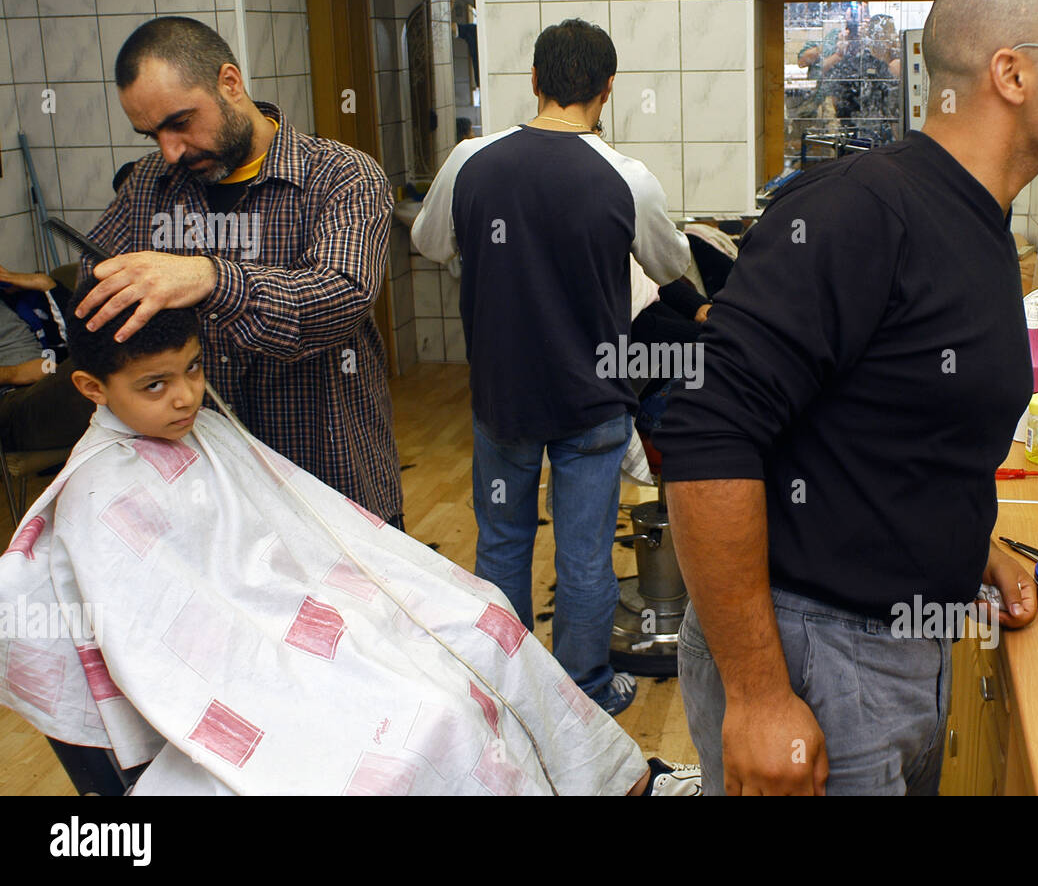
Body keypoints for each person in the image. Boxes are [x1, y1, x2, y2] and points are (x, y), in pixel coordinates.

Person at [656, 0, 1038, 795]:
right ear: (1011, 73)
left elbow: (887, 426)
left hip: (904, 649)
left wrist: (966, 549)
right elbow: (706, 430)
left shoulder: (976, 220)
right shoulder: (862, 209)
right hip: (815, 653)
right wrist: (760, 696)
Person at [0, 283, 700, 795]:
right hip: (259, 654)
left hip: (312, 598)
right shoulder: (100, 495)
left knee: (488, 619)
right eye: (155, 385)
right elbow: (167, 642)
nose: (185, 397)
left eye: (192, 369)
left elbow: (292, 532)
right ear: (91, 387)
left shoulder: (198, 428)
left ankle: (625, 787)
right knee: (434, 715)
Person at [410, 19, 690, 715]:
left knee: (501, 543)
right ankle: (585, 697)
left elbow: (428, 242)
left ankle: (506, 696)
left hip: (502, 397)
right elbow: (671, 265)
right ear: (608, 89)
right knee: (586, 557)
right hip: (591, 403)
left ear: (534, 82)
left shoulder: (472, 159)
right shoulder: (627, 178)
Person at [77, 16, 403, 527]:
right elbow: (100, 284)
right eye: (152, 133)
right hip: (208, 497)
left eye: (181, 122)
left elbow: (338, 299)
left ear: (230, 83)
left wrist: (208, 278)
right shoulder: (149, 186)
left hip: (327, 473)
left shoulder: (340, 176)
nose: (170, 151)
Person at [0, 264, 93, 453]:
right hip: (12, 404)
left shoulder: (20, 299)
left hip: (50, 380)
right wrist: (14, 373)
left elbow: (83, 332)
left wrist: (46, 285)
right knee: (102, 360)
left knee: (107, 344)